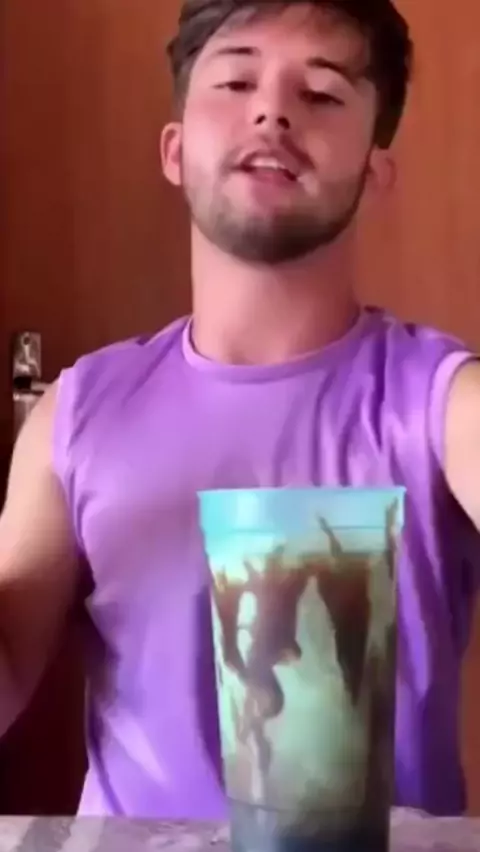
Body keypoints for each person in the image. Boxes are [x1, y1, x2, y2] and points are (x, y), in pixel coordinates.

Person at [1, 0, 479, 819]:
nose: (272, 111)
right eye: (235, 81)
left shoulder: (444, 405)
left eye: (321, 93)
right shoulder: (75, 413)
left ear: (375, 171)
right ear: (175, 151)